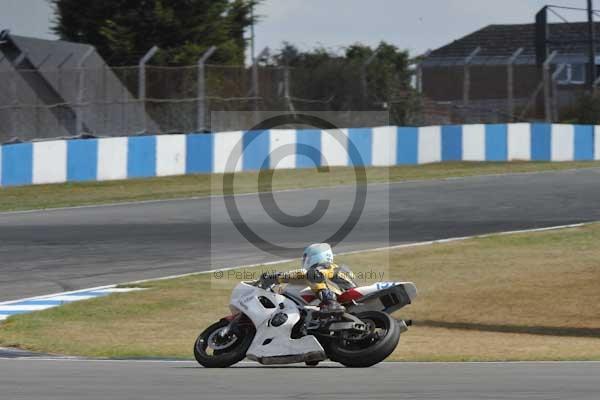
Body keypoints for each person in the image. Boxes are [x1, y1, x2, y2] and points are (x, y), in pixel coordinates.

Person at [259, 243, 355, 314]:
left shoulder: (326, 266)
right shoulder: (337, 268)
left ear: (314, 257)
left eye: (306, 258)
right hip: (346, 295)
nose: (304, 261)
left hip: (343, 298)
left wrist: (276, 277)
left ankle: (331, 303)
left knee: (312, 275)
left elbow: (303, 273)